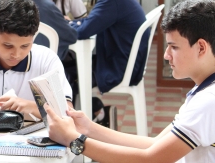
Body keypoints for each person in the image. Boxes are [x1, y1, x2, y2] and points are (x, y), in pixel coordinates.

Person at [46, 0, 215, 162]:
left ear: (201, 47)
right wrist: (89, 129)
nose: (166, 55)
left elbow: (151, 159)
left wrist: (74, 140)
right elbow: (155, 145)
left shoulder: (207, 102)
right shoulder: (204, 91)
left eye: (174, 47)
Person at [68, 0, 150, 124]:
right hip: (127, 64)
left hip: (118, 68)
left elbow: (83, 31)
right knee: (71, 69)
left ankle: (76, 127)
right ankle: (97, 112)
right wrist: (69, 23)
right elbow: (90, 23)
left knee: (64, 73)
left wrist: (64, 25)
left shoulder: (111, 2)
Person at [0, 0, 77, 61]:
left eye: (25, 46)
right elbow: (71, 36)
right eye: (8, 46)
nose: (16, 55)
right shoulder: (45, 5)